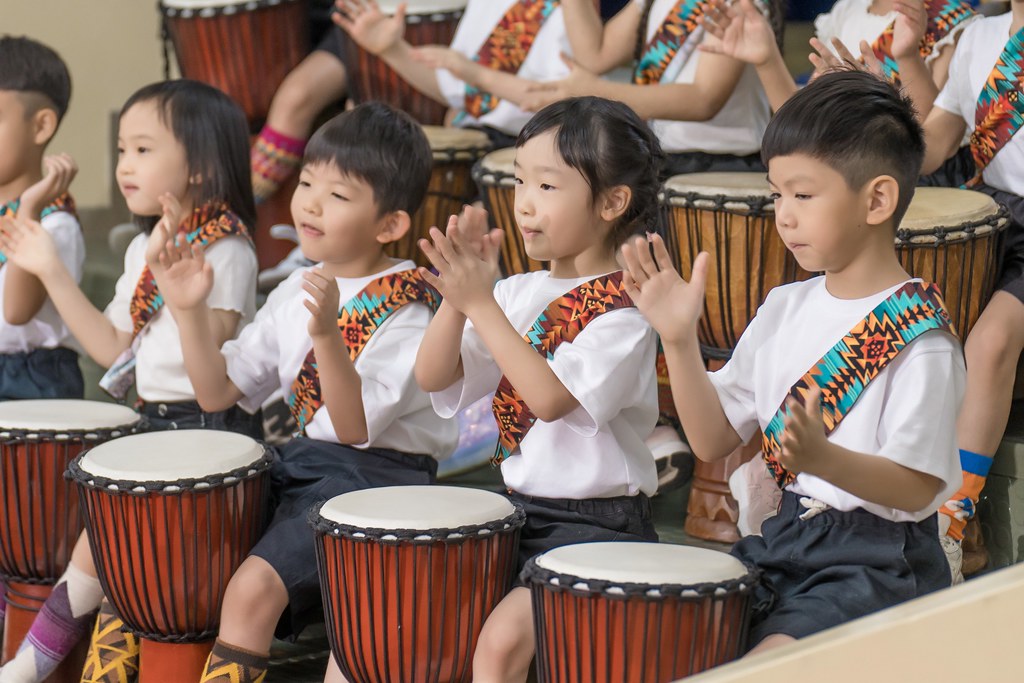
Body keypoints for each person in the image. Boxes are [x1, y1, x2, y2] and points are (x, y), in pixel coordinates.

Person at [622, 70, 963, 651]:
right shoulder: (784, 307)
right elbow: (711, 440)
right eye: (778, 194)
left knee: (765, 662)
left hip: (874, 561)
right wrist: (677, 340)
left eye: (803, 195)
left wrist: (823, 458)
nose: (783, 214)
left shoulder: (922, 339)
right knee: (670, 635)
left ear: (877, 199)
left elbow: (915, 488)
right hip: (783, 539)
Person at [147, 102, 457, 683]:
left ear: (390, 224)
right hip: (307, 465)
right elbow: (219, 393)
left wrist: (325, 336)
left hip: (379, 480)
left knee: (250, 591)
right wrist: (188, 311)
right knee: (177, 546)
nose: (310, 202)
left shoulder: (410, 307)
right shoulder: (296, 287)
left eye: (338, 196)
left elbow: (353, 428)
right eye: (307, 182)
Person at [0, 79, 259, 683]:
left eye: (143, 150)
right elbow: (110, 346)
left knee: (103, 555)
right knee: (98, 554)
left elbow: (211, 381)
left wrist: (182, 298)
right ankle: (27, 669)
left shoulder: (227, 249)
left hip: (209, 431)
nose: (124, 166)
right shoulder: (145, 244)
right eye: (121, 150)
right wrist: (50, 270)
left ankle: (25, 669)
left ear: (200, 165)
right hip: (154, 426)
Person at [416, 96, 662, 683]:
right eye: (521, 180)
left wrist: (480, 301)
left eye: (548, 187)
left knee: (500, 646)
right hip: (518, 514)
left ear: (611, 202)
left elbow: (549, 401)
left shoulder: (628, 311)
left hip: (598, 524)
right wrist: (456, 300)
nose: (525, 202)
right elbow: (434, 376)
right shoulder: (517, 292)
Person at [912, 1, 1024, 572]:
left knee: (990, 342)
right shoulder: (978, 36)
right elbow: (933, 146)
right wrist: (895, 69)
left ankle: (952, 520)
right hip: (992, 220)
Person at [521, 0, 782, 176]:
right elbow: (595, 54)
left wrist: (595, 91)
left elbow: (703, 99)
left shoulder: (737, 5)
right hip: (661, 157)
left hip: (722, 164)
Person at [334, 0, 575, 148]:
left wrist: (473, 72)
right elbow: (458, 92)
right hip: (472, 139)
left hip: (525, 147)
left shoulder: (573, 16)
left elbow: (560, 102)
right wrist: (393, 50)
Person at [0, 36, 83, 401]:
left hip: (31, 379)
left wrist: (28, 209)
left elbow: (16, 312)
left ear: (41, 126)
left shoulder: (53, 223)